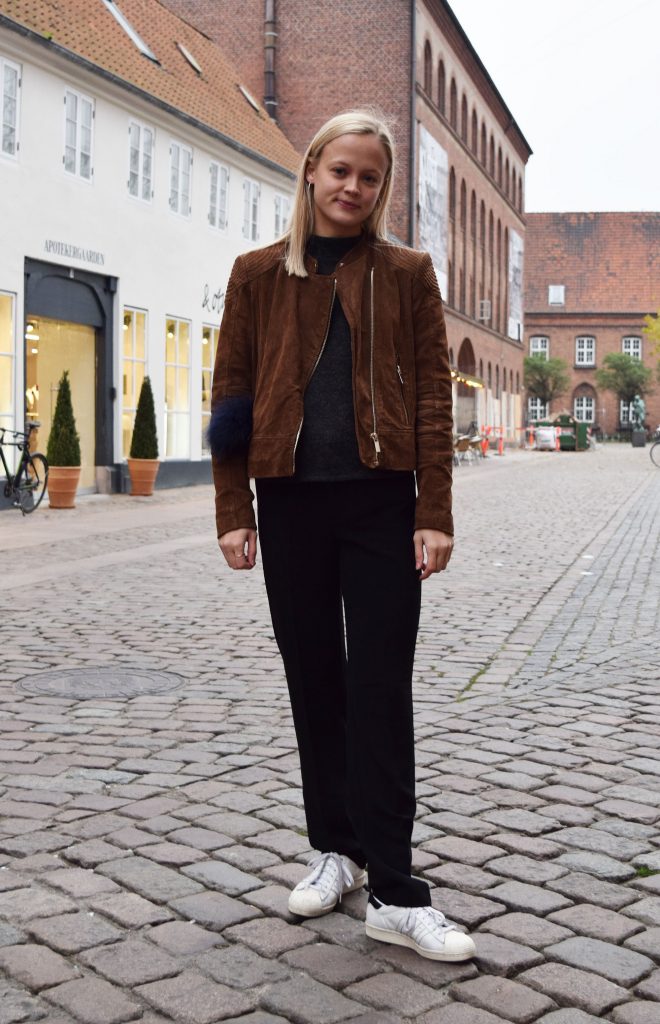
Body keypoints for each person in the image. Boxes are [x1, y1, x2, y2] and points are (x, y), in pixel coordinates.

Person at [210, 109, 475, 963]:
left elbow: (435, 395)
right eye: (341, 171)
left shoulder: (406, 273)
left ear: (381, 189)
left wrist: (434, 509)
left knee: (380, 689)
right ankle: (337, 849)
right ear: (312, 174)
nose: (353, 188)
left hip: (383, 506)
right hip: (289, 506)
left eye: (370, 177)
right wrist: (232, 510)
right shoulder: (256, 276)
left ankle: (396, 889)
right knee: (314, 681)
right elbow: (233, 403)